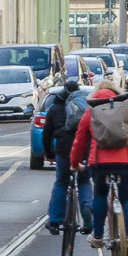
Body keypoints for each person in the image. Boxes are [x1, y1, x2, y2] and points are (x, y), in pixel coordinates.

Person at [69, 85, 128, 256]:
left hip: (100, 163)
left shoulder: (91, 111)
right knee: (127, 199)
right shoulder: (124, 110)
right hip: (125, 161)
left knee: (100, 195)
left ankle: (98, 236)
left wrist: (75, 163)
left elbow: (79, 141)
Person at [44, 71, 93, 236]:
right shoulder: (86, 109)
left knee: (61, 184)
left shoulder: (55, 109)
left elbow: (47, 135)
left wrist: (49, 153)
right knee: (85, 182)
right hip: (84, 152)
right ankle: (87, 212)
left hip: (64, 152)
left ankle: (55, 222)